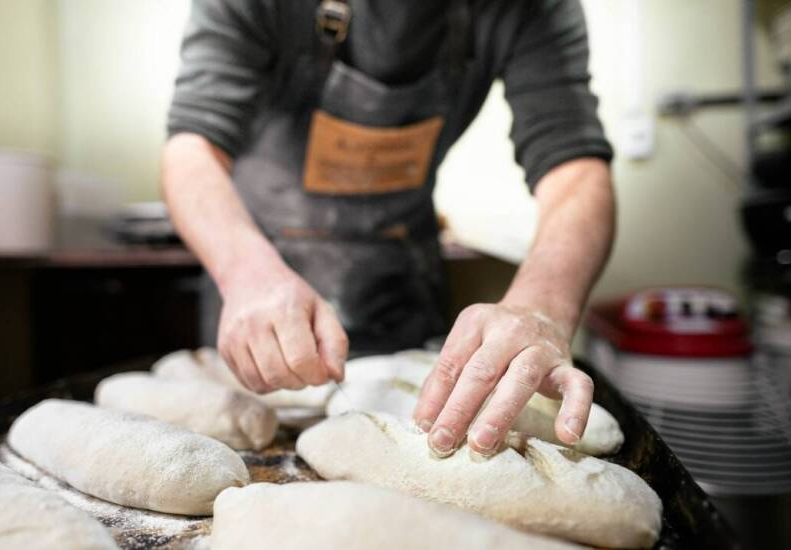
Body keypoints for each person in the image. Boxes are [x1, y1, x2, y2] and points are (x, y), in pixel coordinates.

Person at [161, 0, 615, 458]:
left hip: (403, 300)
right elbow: (191, 148)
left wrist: (541, 308)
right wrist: (246, 273)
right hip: (260, 300)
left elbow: (574, 167)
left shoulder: (530, 8)